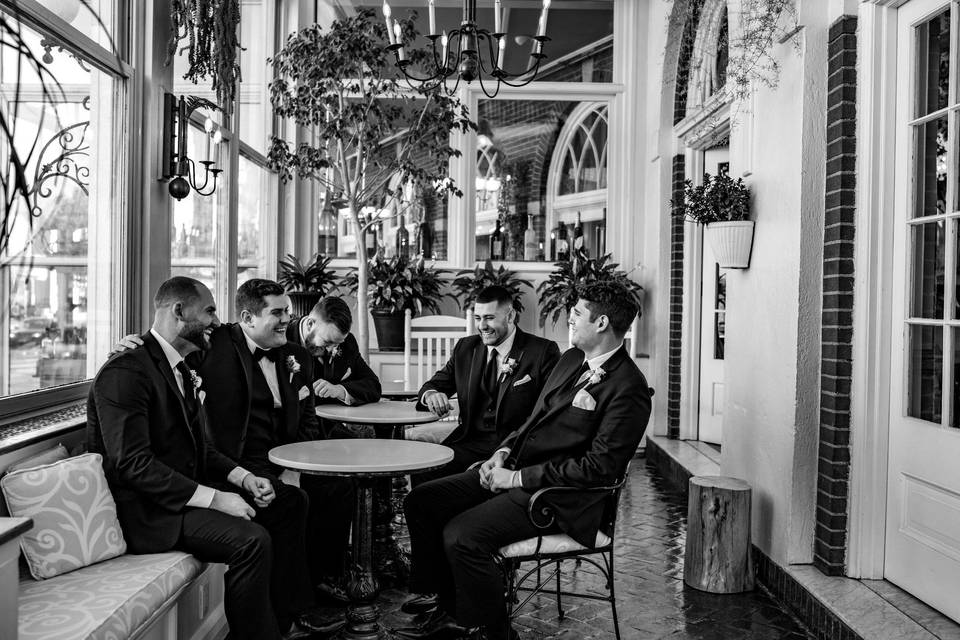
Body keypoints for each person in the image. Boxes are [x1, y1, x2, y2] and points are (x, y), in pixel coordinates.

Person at [397, 281, 653, 640]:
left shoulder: (629, 389)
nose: (570, 319)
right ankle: (447, 604)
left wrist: (515, 479)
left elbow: (598, 469)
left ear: (602, 323)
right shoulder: (571, 359)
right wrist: (502, 454)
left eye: (577, 313)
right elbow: (533, 420)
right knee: (423, 501)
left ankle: (493, 631)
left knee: (462, 535)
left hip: (558, 497)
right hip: (515, 469)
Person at [87, 277, 313, 640]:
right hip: (148, 513)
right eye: (209, 311)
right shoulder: (126, 371)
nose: (217, 321)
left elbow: (199, 448)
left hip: (182, 495)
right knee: (252, 541)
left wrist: (242, 478)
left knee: (288, 501)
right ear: (179, 311)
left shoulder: (182, 365)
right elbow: (133, 465)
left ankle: (285, 621)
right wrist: (217, 499)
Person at [407, 285, 560, 479]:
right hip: (468, 442)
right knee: (425, 471)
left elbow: (548, 411)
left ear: (510, 316)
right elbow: (432, 385)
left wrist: (507, 448)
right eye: (478, 318)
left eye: (489, 318)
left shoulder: (542, 351)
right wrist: (432, 395)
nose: (482, 326)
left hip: (515, 449)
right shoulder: (466, 348)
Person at [285, 295, 382, 439]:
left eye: (337, 344)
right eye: (327, 341)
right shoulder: (283, 339)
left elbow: (373, 386)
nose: (331, 350)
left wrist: (339, 390)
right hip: (293, 433)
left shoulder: (347, 342)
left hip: (332, 431)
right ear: (310, 324)